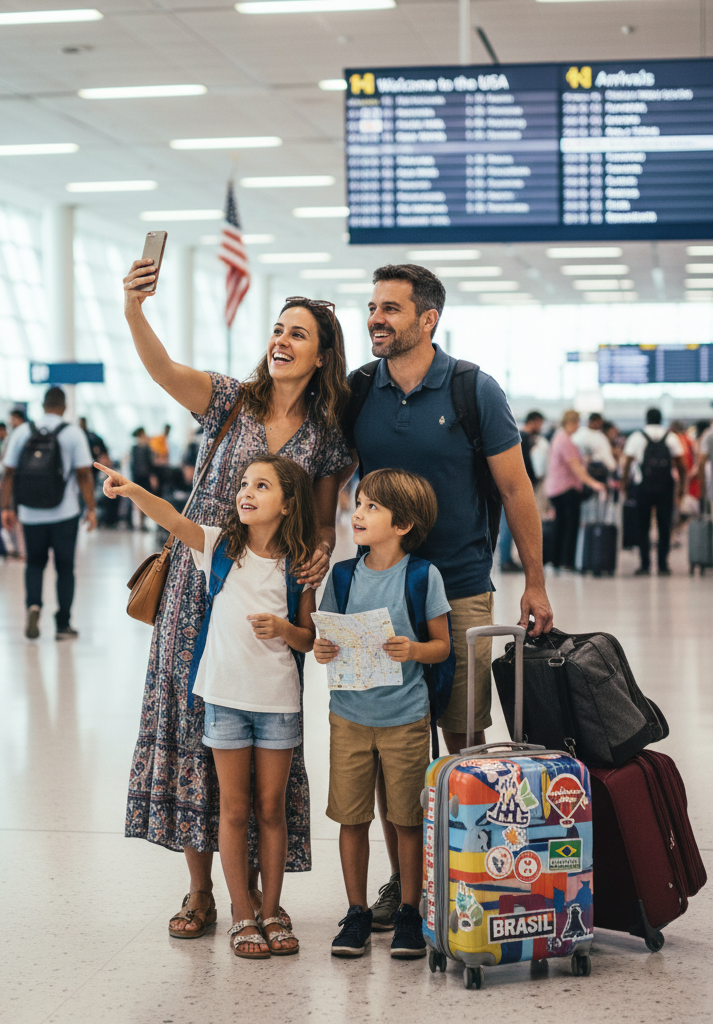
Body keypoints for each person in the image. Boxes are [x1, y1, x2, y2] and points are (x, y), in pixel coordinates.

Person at [122, 256, 351, 941]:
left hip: (265, 595)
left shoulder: (326, 434)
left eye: (298, 334)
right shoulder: (230, 399)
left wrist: (317, 556)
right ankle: (201, 892)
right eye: (277, 329)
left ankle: (264, 893)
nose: (281, 340)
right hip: (196, 589)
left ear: (321, 356)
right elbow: (163, 371)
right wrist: (135, 310)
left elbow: (323, 516)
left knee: (265, 742)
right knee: (196, 734)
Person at [343, 264, 553, 909]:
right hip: (379, 592)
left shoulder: (472, 389)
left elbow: (515, 488)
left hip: (460, 588)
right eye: (373, 306)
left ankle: (469, 871)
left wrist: (536, 585)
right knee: (388, 744)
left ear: (428, 318)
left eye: (391, 309)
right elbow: (334, 481)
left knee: (462, 734)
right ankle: (407, 881)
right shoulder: (357, 390)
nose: (376, 318)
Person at [100, 453, 317, 958]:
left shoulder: (299, 567)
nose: (245, 492)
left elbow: (307, 639)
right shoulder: (219, 546)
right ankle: (242, 914)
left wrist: (284, 630)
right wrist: (131, 490)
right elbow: (173, 518)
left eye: (261, 486)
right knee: (235, 809)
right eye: (244, 484)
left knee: (271, 810)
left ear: (287, 506)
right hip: (224, 700)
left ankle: (271, 911)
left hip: (279, 703)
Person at [315, 468, 450, 960]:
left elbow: (441, 646)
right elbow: (323, 637)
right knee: (352, 819)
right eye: (359, 504)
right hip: (348, 715)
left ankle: (410, 912)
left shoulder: (422, 576)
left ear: (403, 524)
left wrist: (413, 650)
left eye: (372, 507)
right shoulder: (344, 575)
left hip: (405, 718)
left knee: (407, 820)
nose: (358, 513)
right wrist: (323, 650)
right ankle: (356, 912)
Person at [0, 386, 97, 640]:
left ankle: (34, 606)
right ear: (63, 406)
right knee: (65, 568)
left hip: (30, 513)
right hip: (65, 513)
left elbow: (7, 472)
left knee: (34, 563)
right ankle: (63, 625)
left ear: (43, 405)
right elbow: (84, 474)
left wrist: (6, 508)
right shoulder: (73, 433)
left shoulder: (22, 431)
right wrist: (92, 508)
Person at [621, 408, 687, 576]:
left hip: (642, 487)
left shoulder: (637, 437)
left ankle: (645, 565)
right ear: (661, 419)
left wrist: (625, 485)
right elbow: (681, 464)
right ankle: (663, 565)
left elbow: (627, 463)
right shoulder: (670, 437)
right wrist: (681, 488)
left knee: (642, 525)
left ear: (646, 419)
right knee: (665, 525)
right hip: (666, 487)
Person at [545, 411, 607, 571]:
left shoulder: (558, 439)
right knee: (569, 527)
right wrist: (593, 483)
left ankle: (556, 561)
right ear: (570, 422)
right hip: (566, 489)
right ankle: (567, 562)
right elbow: (575, 467)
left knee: (560, 526)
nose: (578, 426)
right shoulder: (564, 440)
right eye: (577, 422)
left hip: (556, 489)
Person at [498, 411, 545, 573]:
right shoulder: (522, 438)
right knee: (509, 525)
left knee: (509, 525)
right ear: (534, 421)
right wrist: (533, 480)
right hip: (512, 487)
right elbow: (525, 465)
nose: (541, 427)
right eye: (540, 423)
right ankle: (505, 561)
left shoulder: (523, 438)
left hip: (509, 486)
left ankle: (507, 559)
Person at [129, 428, 157, 530]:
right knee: (138, 499)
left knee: (145, 499)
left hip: (145, 476)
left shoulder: (146, 448)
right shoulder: (135, 448)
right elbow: (133, 464)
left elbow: (151, 463)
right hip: (138, 476)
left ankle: (143, 521)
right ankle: (140, 522)